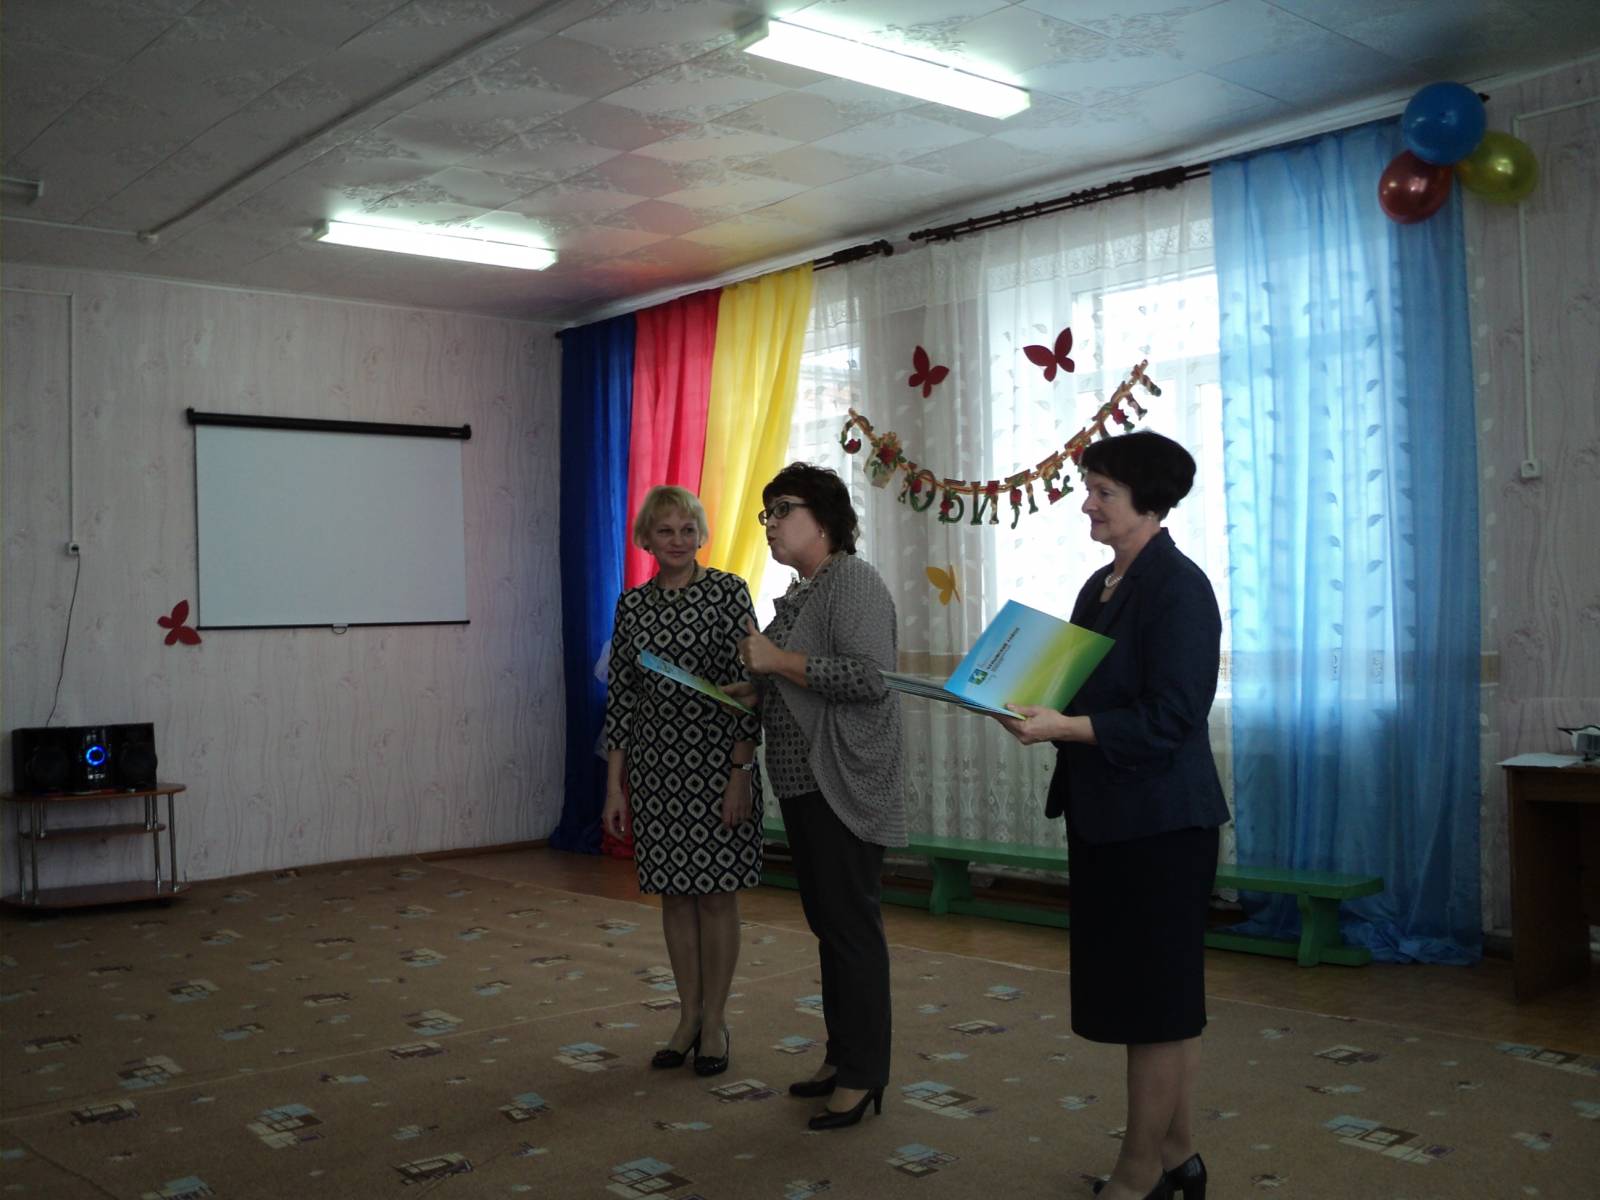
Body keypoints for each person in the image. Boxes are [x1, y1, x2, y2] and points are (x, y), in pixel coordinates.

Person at [997, 431, 1226, 1200]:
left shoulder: (1179, 588)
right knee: (1156, 1004)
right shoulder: (1100, 585)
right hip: (1108, 816)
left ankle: (1137, 1175)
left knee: (1156, 1007)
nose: (1087, 505)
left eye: (1103, 493)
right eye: (1088, 489)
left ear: (1149, 502)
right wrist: (1022, 703)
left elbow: (1173, 716)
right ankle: (1179, 1157)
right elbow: (1078, 692)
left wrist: (1063, 727)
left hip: (1162, 826)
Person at [723, 462, 904, 1132]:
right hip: (803, 782)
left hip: (844, 780)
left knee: (851, 929)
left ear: (824, 520)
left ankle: (863, 1074)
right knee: (830, 927)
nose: (770, 524)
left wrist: (775, 663)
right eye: (765, 513)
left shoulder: (851, 579)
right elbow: (803, 676)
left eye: (783, 510)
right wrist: (759, 687)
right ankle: (842, 1057)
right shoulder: (804, 591)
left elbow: (870, 677)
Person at [602, 485, 762, 1079]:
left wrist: (740, 772)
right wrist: (615, 786)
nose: (677, 540)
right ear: (646, 538)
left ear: (701, 535)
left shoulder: (728, 593)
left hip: (718, 767)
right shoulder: (632, 606)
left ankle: (716, 1020)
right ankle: (687, 1016)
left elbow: (751, 689)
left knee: (717, 895)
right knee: (674, 894)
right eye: (665, 530)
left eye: (687, 529)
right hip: (656, 772)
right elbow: (622, 699)